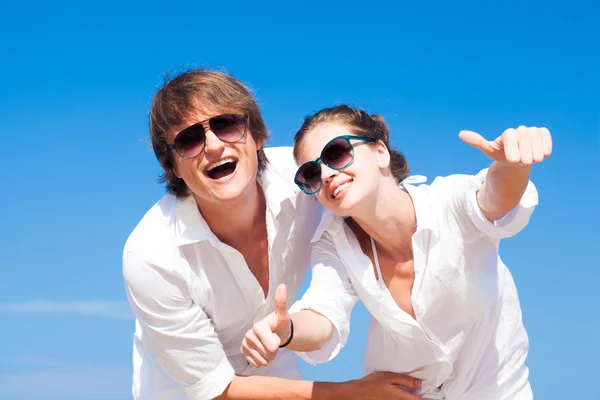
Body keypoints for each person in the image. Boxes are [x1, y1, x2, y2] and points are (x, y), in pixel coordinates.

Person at [122, 72, 423, 399]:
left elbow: (375, 193)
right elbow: (217, 389)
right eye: (189, 140)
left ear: (256, 135)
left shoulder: (309, 179)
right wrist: (355, 393)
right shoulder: (152, 257)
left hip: (277, 369)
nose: (212, 145)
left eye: (227, 125)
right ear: (173, 167)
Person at [241, 104, 552, 399]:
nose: (325, 175)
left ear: (379, 153)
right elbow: (323, 315)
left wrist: (512, 164)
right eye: (310, 173)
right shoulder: (334, 242)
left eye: (336, 153)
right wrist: (287, 330)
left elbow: (495, 199)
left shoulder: (447, 203)